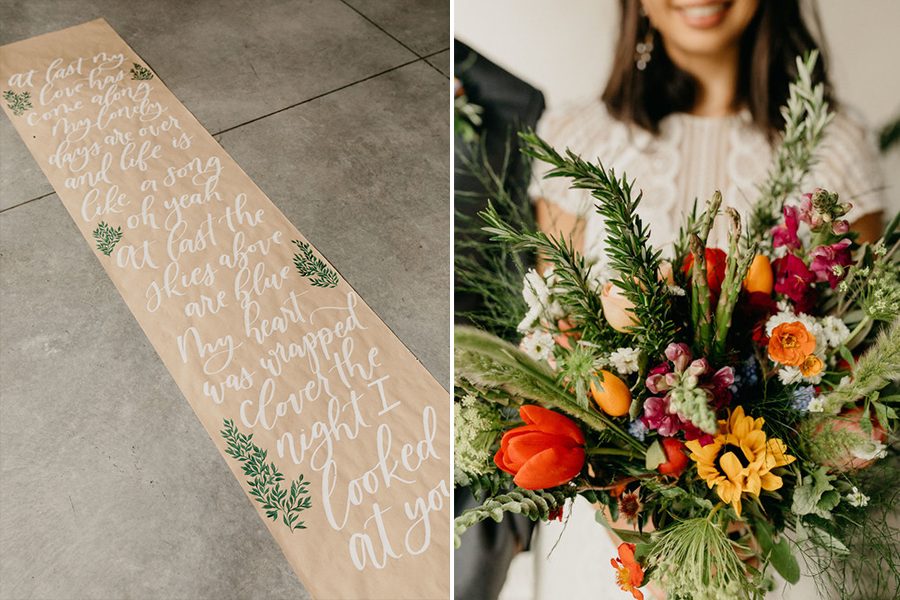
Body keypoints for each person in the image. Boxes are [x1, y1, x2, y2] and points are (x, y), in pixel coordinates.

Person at [522, 1, 885, 598]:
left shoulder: (837, 151)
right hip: (610, 555)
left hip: (784, 561)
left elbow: (863, 374)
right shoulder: (576, 138)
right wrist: (625, 515)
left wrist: (753, 518)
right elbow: (557, 355)